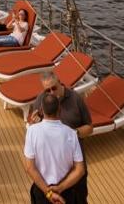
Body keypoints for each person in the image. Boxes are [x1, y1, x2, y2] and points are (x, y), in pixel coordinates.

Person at [28, 70, 94, 202]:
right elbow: (32, 122)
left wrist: (74, 134)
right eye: (47, 90)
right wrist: (32, 122)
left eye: (54, 88)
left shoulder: (76, 99)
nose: (51, 93)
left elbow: (90, 127)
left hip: (74, 168)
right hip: (50, 172)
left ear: (59, 82)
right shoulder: (42, 99)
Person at [23, 92, 86, 204]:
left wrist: (48, 192)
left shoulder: (32, 131)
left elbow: (29, 167)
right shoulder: (71, 134)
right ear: (59, 109)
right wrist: (60, 188)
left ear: (42, 110)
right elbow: (80, 170)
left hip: (42, 191)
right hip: (66, 192)